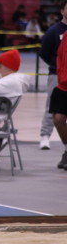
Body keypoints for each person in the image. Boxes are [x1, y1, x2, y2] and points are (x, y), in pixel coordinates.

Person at [38, 0, 67, 150]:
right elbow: (44, 53)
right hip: (56, 76)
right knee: (52, 107)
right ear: (62, 11)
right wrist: (58, 67)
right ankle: (45, 136)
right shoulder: (54, 31)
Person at [50, 28, 67, 170]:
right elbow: (60, 56)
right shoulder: (66, 35)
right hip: (63, 86)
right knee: (58, 119)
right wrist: (61, 74)